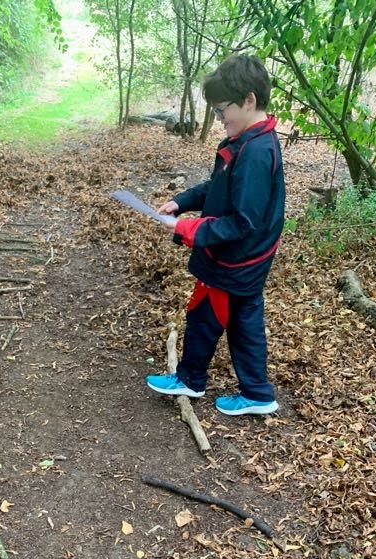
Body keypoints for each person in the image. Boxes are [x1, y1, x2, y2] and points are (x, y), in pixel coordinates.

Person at [146, 54, 285, 415]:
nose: (220, 117)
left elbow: (243, 221)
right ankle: (254, 392)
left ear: (250, 100)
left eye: (223, 109)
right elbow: (216, 188)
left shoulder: (255, 152)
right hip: (241, 261)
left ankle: (192, 379)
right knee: (240, 321)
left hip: (237, 259)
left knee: (208, 314)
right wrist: (181, 202)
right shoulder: (244, 142)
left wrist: (188, 228)